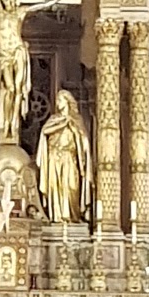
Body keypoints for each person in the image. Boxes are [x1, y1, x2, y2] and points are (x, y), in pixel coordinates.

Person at [36, 86, 91, 225]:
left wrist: (72, 127)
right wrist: (62, 124)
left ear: (67, 101)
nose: (57, 103)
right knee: (55, 187)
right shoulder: (54, 119)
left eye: (60, 100)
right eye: (57, 100)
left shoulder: (76, 120)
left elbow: (83, 140)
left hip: (69, 157)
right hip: (54, 157)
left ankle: (72, 215)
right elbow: (45, 131)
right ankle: (58, 216)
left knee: (70, 186)